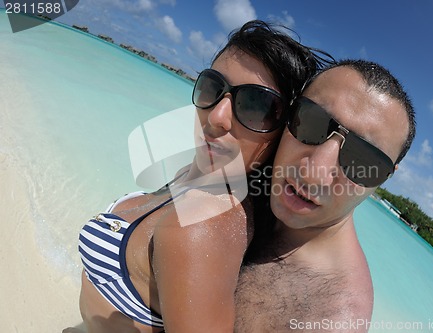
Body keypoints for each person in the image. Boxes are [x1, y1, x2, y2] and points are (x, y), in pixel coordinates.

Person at [77, 20, 334, 333]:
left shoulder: (202, 226)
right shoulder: (200, 175)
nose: (217, 117)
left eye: (255, 106)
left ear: (283, 135)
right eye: (213, 87)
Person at [235, 59, 416, 332]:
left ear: (385, 178)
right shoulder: (245, 177)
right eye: (311, 121)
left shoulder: (327, 319)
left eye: (361, 158)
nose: (314, 173)